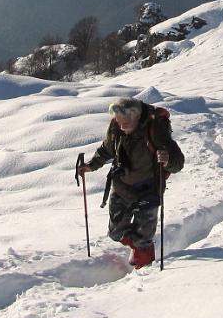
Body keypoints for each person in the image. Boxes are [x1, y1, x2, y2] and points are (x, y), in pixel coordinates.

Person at [78, 97, 184, 268]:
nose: (122, 125)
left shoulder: (155, 128)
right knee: (115, 232)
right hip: (122, 187)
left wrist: (167, 160)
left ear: (137, 117)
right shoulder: (116, 127)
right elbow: (106, 149)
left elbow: (178, 162)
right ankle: (139, 247)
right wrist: (91, 166)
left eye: (127, 121)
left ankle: (144, 270)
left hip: (149, 189)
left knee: (143, 238)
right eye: (120, 121)